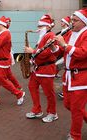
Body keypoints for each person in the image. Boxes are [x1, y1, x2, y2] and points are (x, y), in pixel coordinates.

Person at [54, 8, 87, 140]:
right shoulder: (70, 33)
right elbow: (59, 52)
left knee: (76, 109)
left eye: (75, 20)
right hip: (68, 77)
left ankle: (75, 135)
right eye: (71, 20)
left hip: (81, 77)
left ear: (84, 22)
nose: (71, 23)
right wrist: (53, 47)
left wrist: (64, 45)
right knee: (68, 104)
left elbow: (83, 53)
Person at [0, 16, 25, 106]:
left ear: (0, 24)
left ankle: (19, 94)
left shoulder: (6, 33)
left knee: (3, 81)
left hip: (2, 61)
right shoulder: (2, 33)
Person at [24, 15, 58, 122]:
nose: (38, 28)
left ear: (47, 27)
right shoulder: (42, 37)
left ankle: (52, 113)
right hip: (38, 69)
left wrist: (32, 52)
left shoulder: (51, 35)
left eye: (41, 26)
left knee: (49, 93)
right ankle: (37, 109)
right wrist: (31, 61)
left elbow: (46, 53)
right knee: (31, 86)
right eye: (38, 25)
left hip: (46, 69)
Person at [55, 16, 72, 99]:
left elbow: (66, 43)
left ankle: (66, 92)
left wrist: (60, 46)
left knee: (67, 73)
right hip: (62, 53)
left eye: (62, 21)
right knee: (66, 74)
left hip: (66, 54)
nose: (61, 23)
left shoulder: (69, 32)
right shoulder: (62, 31)